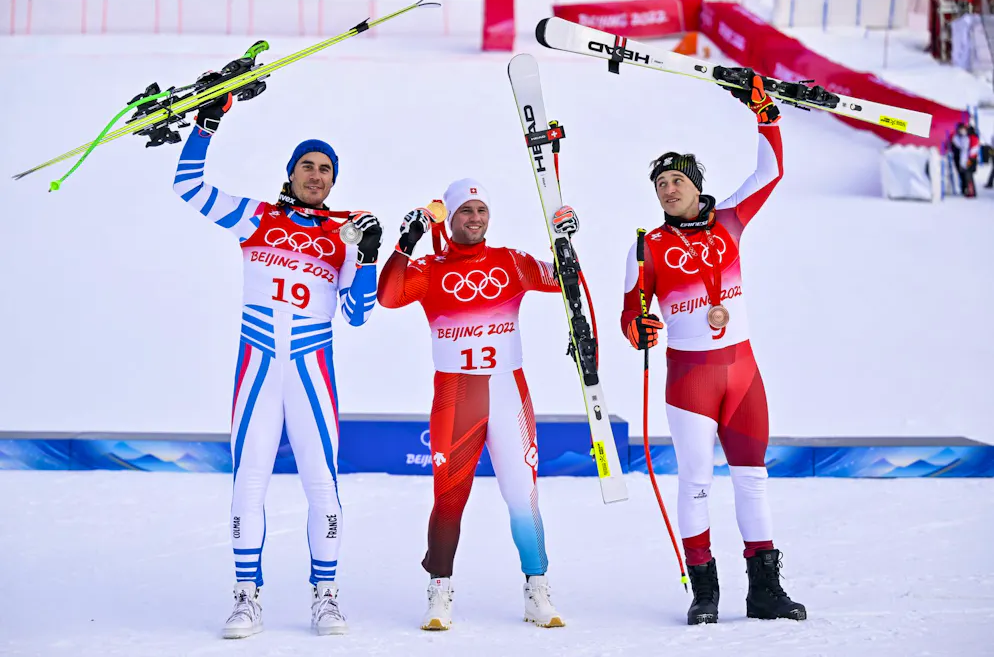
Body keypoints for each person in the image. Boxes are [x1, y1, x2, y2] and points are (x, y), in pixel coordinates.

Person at [171, 74, 382, 638]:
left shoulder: (345, 231)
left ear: (334, 180)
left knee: (322, 484)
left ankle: (326, 595)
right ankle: (246, 596)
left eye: (326, 169)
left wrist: (367, 255)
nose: (317, 176)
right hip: (258, 365)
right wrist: (207, 124)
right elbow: (188, 186)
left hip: (312, 368)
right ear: (291, 172)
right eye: (309, 166)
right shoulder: (256, 215)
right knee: (249, 483)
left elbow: (358, 313)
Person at [620, 75, 806, 625]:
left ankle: (764, 591)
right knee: (696, 481)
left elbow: (770, 171)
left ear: (697, 185)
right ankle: (704, 592)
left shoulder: (729, 219)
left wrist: (764, 112)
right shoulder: (645, 246)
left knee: (752, 477)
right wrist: (641, 329)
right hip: (691, 379)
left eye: (676, 180)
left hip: (743, 374)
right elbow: (631, 317)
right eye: (660, 186)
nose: (667, 190)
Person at [376, 179, 578, 631]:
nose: (475, 219)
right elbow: (388, 297)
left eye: (482, 210)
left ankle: (537, 588)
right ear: (450, 217)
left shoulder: (511, 262)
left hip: (509, 393)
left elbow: (568, 282)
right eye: (465, 211)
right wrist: (405, 243)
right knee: (449, 499)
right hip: (456, 397)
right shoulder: (429, 267)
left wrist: (564, 240)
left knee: (522, 496)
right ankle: (440, 588)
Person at [950, 123, 980, 198]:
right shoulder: (964, 137)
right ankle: (968, 190)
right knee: (966, 176)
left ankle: (972, 192)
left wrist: (970, 159)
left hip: (970, 159)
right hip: (965, 159)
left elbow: (974, 148)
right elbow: (959, 145)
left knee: (969, 176)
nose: (962, 131)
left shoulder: (971, 137)